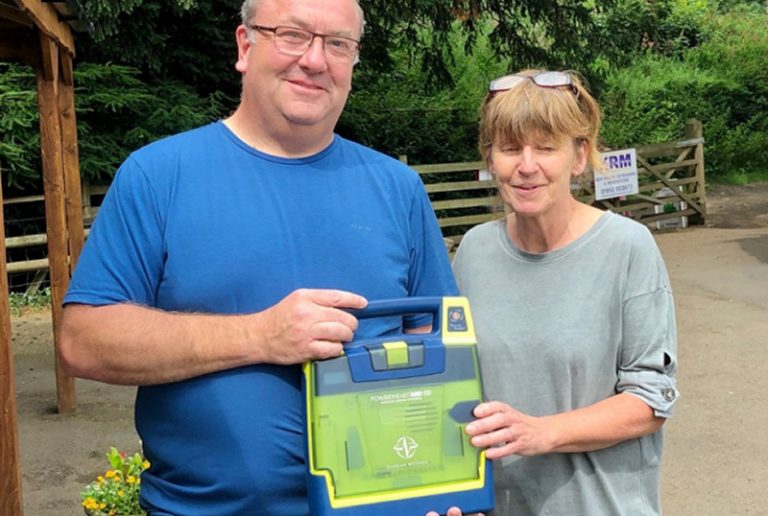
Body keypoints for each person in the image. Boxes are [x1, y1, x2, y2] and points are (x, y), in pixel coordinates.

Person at [58, 0, 462, 514]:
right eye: (293, 35)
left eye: (338, 44)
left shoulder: (398, 189)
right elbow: (84, 342)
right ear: (245, 46)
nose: (315, 60)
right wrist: (259, 336)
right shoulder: (159, 176)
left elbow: (441, 352)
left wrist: (443, 484)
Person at [453, 69, 680, 515]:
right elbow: (456, 384)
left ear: (579, 156)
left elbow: (651, 400)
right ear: (490, 158)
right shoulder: (473, 251)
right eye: (510, 147)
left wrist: (542, 432)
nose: (526, 165)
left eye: (546, 147)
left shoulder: (627, 247)